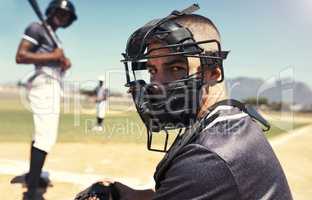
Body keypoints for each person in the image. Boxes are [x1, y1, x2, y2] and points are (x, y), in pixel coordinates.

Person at [75, 5, 292, 200]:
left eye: (176, 69)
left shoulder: (207, 158)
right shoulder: (230, 120)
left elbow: (199, 179)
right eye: (152, 70)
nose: (156, 84)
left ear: (213, 72)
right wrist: (126, 194)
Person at [15, 0, 77, 199]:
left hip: (53, 84)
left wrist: (63, 63)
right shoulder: (36, 27)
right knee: (46, 136)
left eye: (66, 15)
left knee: (42, 133)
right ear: (50, 11)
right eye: (59, 12)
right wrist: (54, 55)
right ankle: (32, 191)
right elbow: (21, 56)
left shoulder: (54, 37)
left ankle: (33, 177)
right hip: (44, 83)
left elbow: (52, 59)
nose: (62, 16)